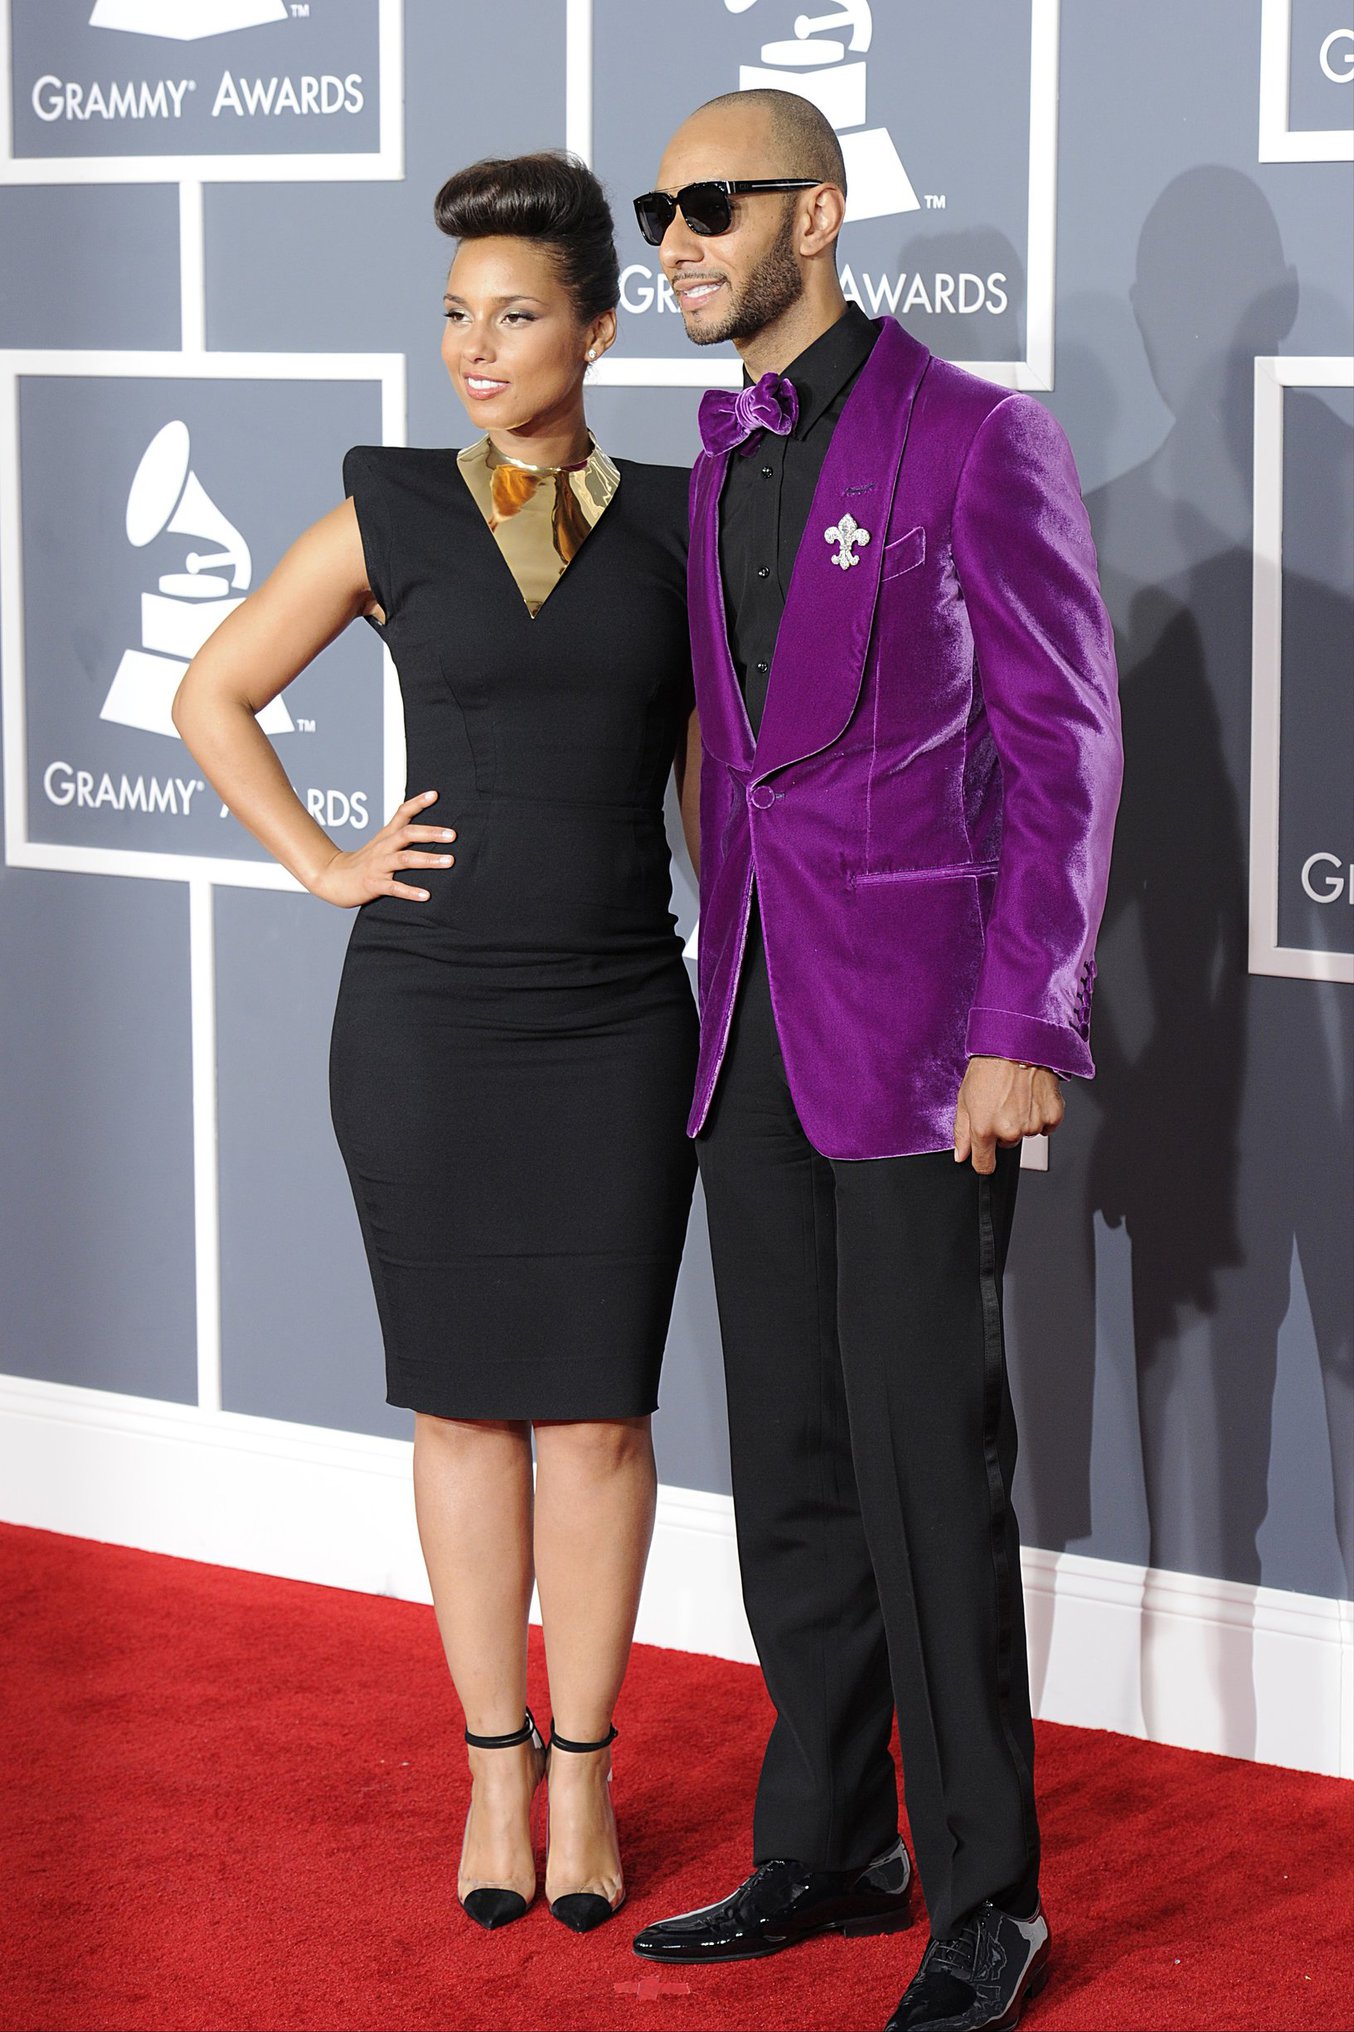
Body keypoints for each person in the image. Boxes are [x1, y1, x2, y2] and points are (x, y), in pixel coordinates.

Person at [628, 92, 1122, 2032]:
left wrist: (1021, 1021)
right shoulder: (716, 443)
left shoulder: (972, 434)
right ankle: (829, 1836)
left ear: (815, 216)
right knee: (793, 1462)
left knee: (930, 1464)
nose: (671, 235)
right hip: (745, 1020)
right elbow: (727, 758)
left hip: (924, 1040)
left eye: (709, 204)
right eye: (656, 208)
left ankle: (982, 1897)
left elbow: (1060, 746)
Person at [173, 153, 699, 1938]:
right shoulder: (389, 506)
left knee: (602, 1420)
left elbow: (716, 811)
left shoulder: (680, 526)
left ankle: (589, 1769)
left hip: (621, 1012)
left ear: (599, 327)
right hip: (427, 1015)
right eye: (457, 315)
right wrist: (326, 858)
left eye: (518, 314)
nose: (477, 346)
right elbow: (211, 690)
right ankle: (493, 1771)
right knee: (464, 1408)